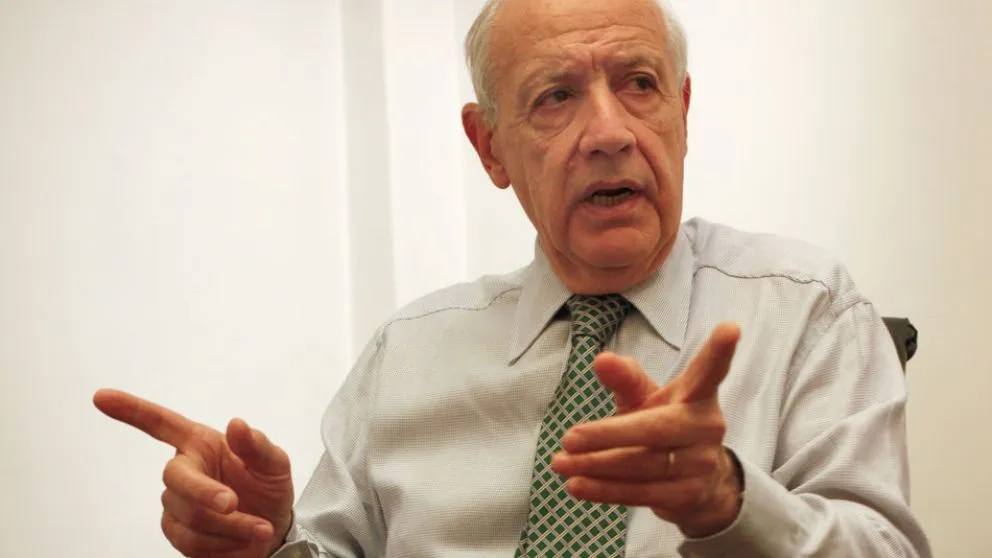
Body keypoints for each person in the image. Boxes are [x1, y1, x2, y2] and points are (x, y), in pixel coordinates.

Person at [93, 0, 933, 556]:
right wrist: (267, 542)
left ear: (682, 111)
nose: (609, 132)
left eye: (639, 84)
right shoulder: (409, 353)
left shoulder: (808, 310)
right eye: (556, 97)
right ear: (490, 147)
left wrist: (727, 500)